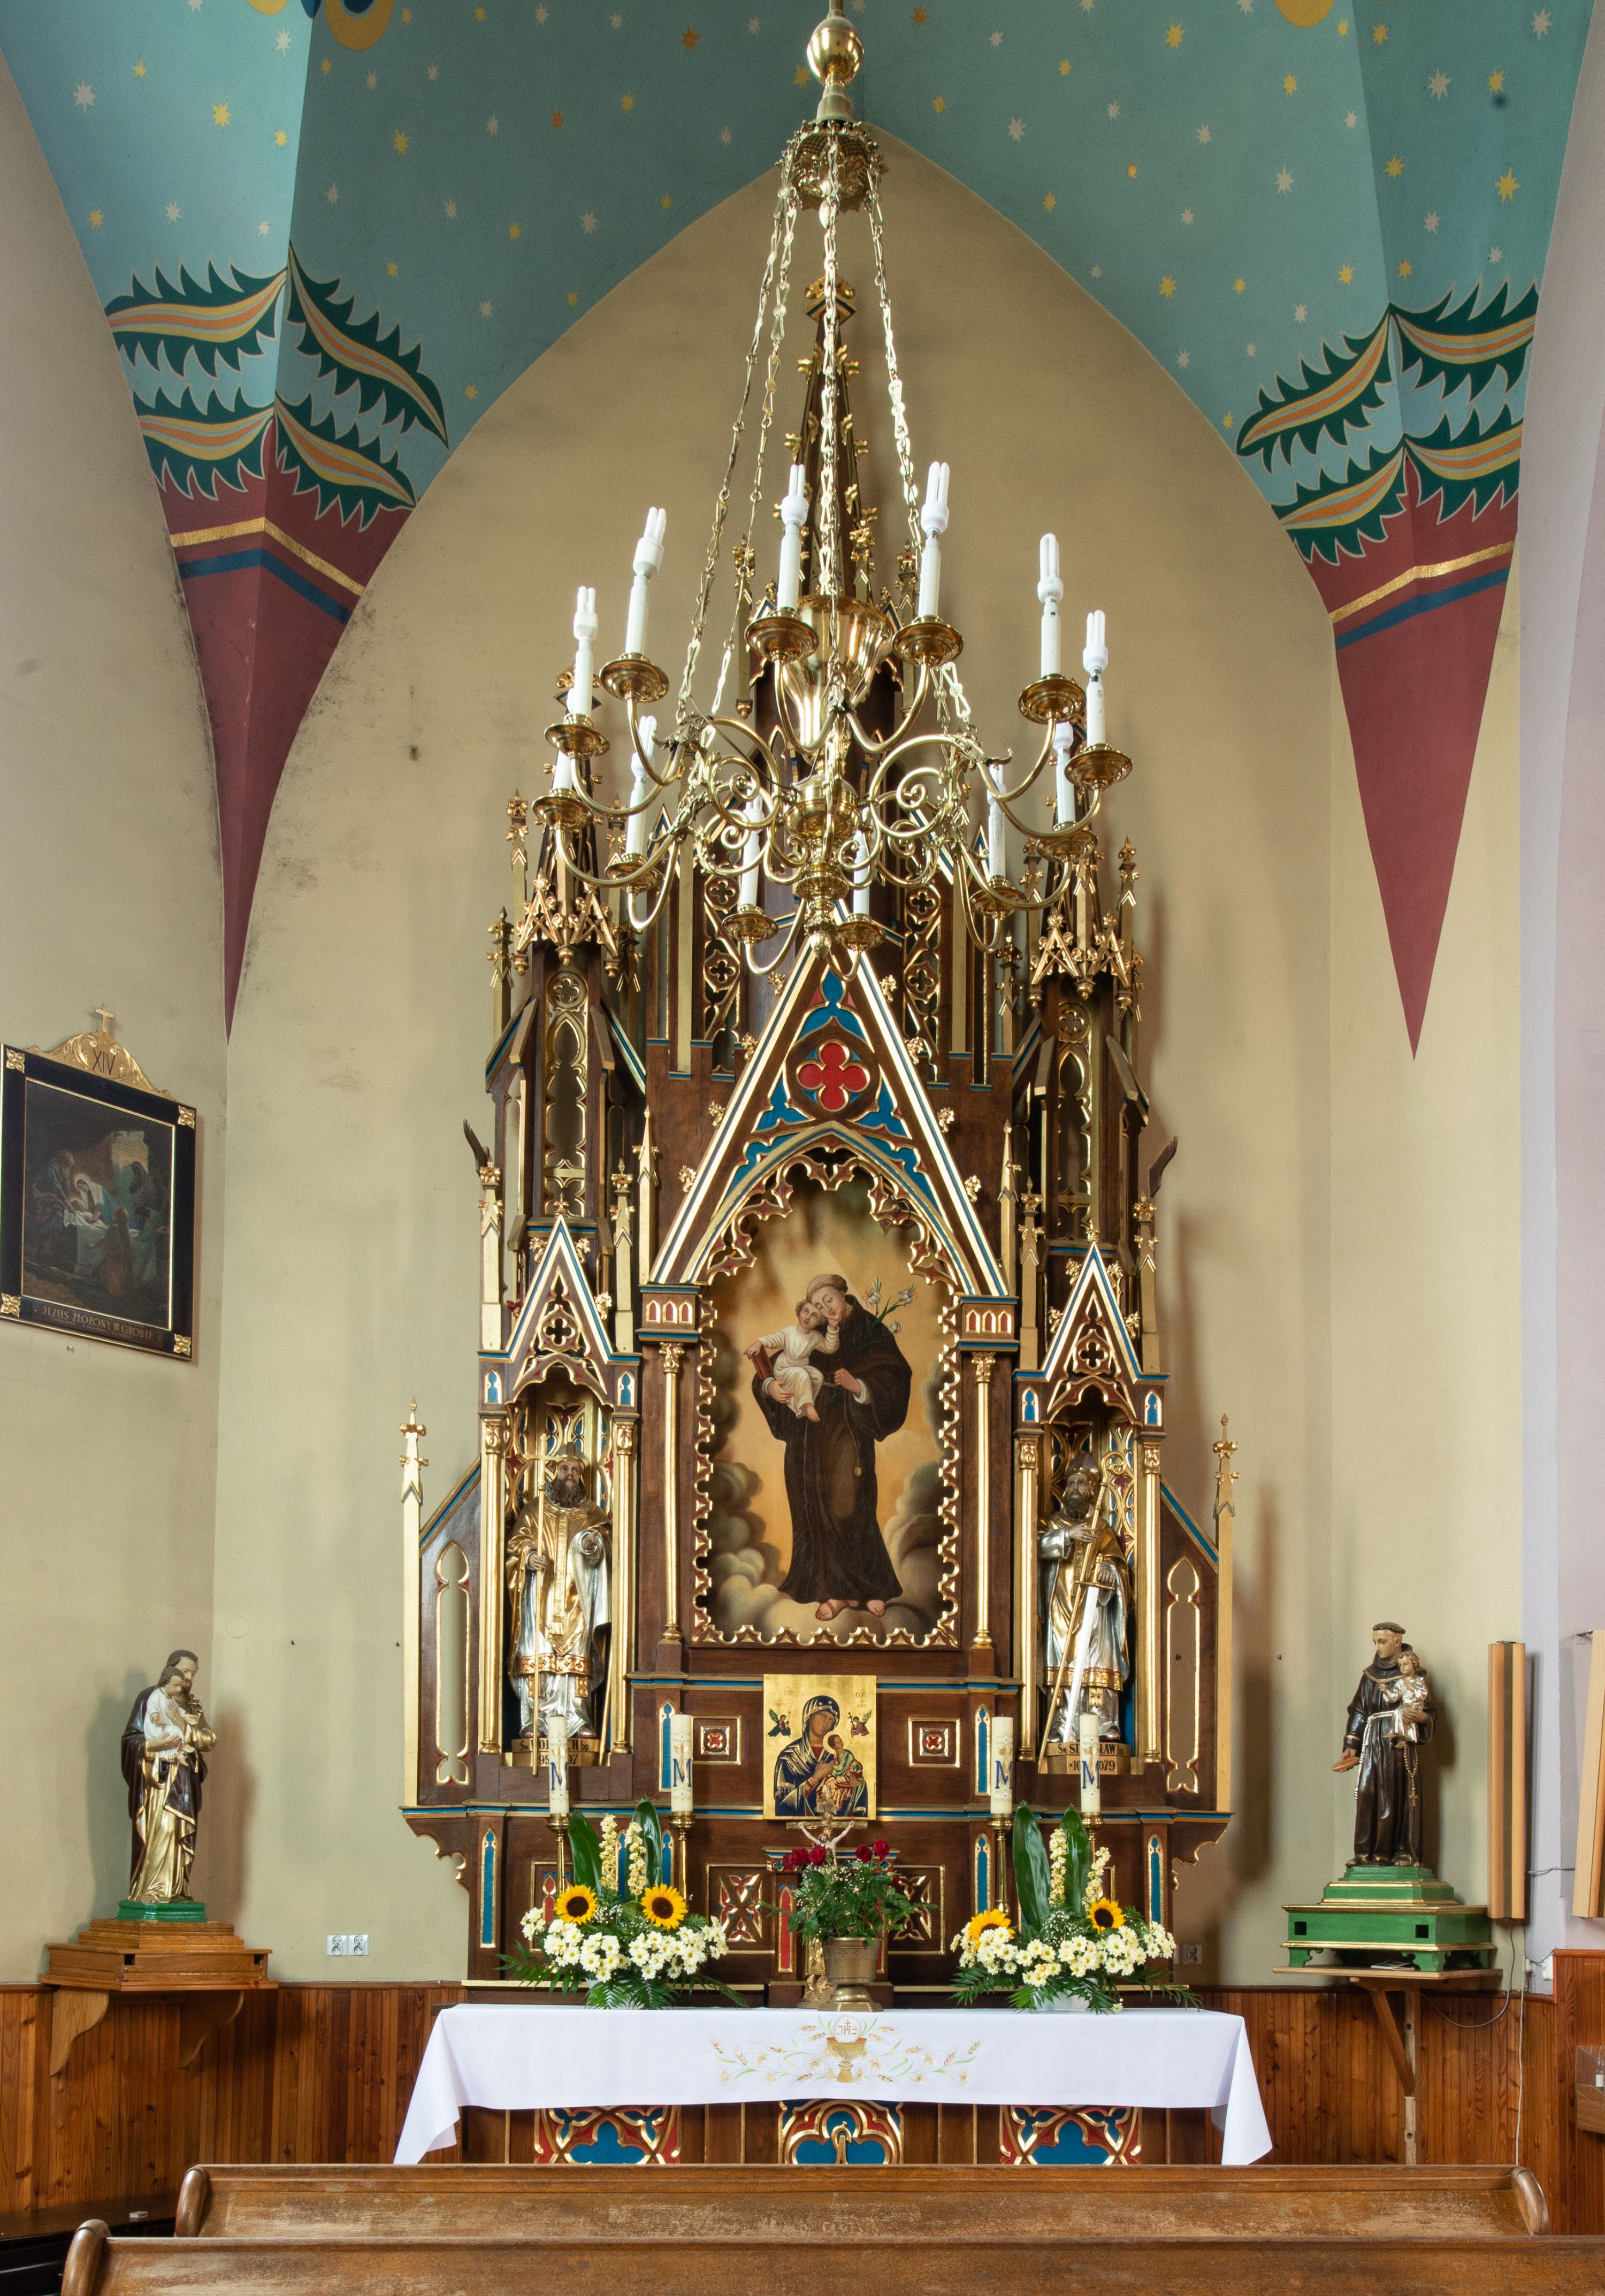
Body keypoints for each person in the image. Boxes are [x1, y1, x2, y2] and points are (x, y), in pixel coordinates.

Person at [752, 1273, 910, 1622]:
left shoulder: (872, 1332)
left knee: (848, 1505)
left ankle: (869, 1587)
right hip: (809, 1435)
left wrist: (859, 1386)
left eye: (829, 1301)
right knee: (815, 1505)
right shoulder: (815, 1333)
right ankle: (837, 1593)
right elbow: (773, 1367)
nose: (826, 1310)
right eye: (819, 1307)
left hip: (848, 1432)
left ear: (842, 1293)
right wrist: (769, 1387)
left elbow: (895, 1379)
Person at [506, 1451, 612, 1747]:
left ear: (582, 1476)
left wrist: (592, 1544)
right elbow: (515, 1545)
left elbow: (606, 1546)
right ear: (555, 1473)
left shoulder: (592, 1514)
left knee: (575, 1658)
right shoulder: (535, 1510)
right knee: (539, 1656)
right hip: (540, 1595)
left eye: (575, 1470)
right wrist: (528, 1556)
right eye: (564, 1469)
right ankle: (535, 1719)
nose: (570, 1475)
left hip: (578, 1599)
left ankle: (578, 1719)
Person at [1333, 1621, 1436, 1866]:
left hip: (1399, 1741)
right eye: (1375, 1642)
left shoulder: (1415, 1677)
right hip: (1372, 1742)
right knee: (1368, 1794)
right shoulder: (1370, 1676)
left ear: (1397, 1642)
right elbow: (1359, 1711)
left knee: (1397, 1795)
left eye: (1382, 1641)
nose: (1378, 1647)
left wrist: (1421, 1718)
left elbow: (1430, 1713)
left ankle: (1400, 1852)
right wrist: (1352, 1744)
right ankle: (1365, 1852)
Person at [121, 1651, 216, 1904]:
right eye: (185, 1672)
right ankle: (152, 1890)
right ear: (171, 1670)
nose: (189, 1678)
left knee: (179, 1834)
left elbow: (209, 1740)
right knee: (162, 1830)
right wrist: (152, 1746)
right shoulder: (150, 1698)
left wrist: (184, 1726)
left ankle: (176, 1890)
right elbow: (131, 1740)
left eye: (194, 1673)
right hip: (158, 1781)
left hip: (185, 1782)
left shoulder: (192, 1706)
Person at [746, 1296, 838, 1422]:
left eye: (814, 1316)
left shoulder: (816, 1337)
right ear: (800, 1312)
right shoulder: (789, 1332)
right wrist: (759, 1343)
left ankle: (802, 1405)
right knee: (802, 1375)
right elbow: (774, 1339)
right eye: (806, 1311)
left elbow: (829, 1348)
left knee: (818, 1377)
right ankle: (808, 1406)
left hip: (802, 1367)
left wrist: (833, 1329)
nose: (808, 1317)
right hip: (785, 1369)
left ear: (819, 1322)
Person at [772, 1694, 867, 1817]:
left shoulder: (837, 1754)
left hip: (836, 1819)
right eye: (822, 1716)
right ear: (809, 1718)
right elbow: (782, 1806)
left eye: (831, 1720)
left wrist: (856, 1783)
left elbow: (855, 1778)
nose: (826, 1723)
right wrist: (814, 1779)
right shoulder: (789, 1757)